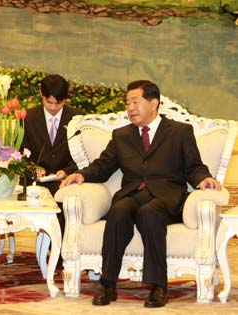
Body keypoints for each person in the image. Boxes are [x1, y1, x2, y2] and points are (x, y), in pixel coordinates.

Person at [60, 80, 221, 308]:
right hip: (133, 194)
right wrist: (82, 175)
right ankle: (108, 284)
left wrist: (204, 178)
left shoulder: (180, 132)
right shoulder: (121, 135)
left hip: (167, 198)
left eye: (136, 102)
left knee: (149, 213)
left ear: (154, 103)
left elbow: (194, 166)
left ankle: (158, 287)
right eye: (127, 103)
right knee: (118, 211)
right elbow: (103, 166)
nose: (130, 108)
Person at [21, 74, 85, 261]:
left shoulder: (78, 119)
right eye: (49, 102)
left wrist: (68, 171)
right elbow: (20, 152)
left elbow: (84, 155)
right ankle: (52, 250)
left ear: (66, 99)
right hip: (36, 179)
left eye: (59, 103)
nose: (53, 107)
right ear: (41, 94)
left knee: (66, 200)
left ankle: (64, 252)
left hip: (65, 178)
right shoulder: (29, 117)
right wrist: (33, 168)